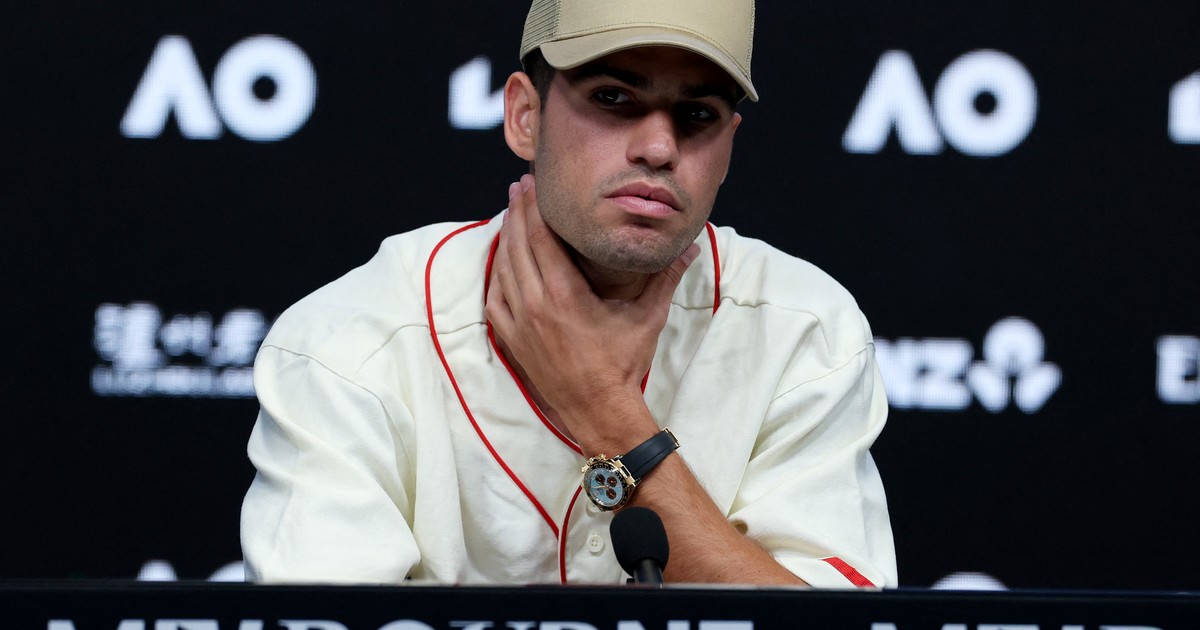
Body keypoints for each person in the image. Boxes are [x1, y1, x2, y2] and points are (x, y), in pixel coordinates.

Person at [241, 0, 897, 587]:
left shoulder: (805, 329)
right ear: (525, 116)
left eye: (698, 114)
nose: (659, 148)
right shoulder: (350, 341)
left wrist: (605, 410)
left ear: (728, 146)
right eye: (614, 98)